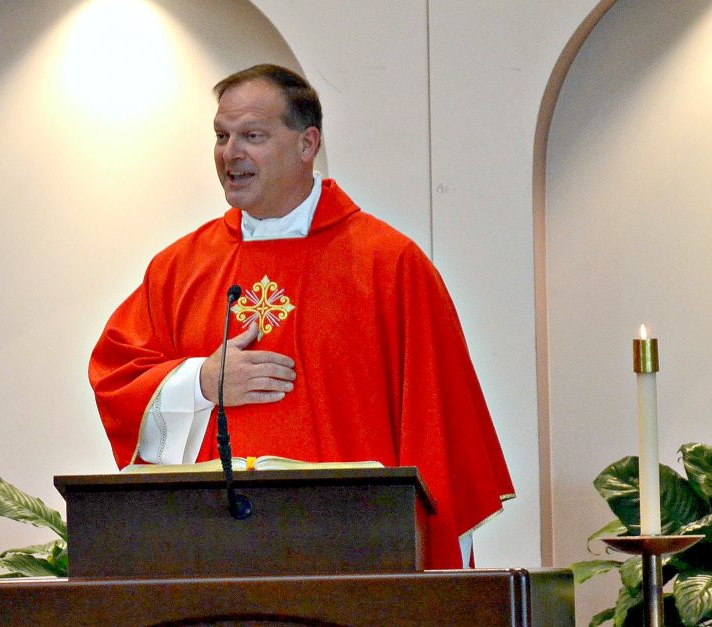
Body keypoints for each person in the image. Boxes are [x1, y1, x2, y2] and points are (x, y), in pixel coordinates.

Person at [90, 64, 514, 569]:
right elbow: (116, 374)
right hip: (213, 560)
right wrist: (200, 382)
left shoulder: (389, 265)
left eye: (253, 136)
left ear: (307, 143)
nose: (231, 154)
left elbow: (438, 428)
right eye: (222, 136)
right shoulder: (180, 268)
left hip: (355, 561)